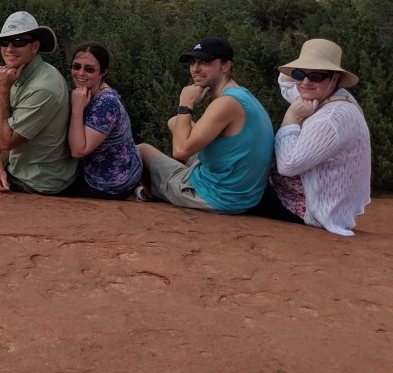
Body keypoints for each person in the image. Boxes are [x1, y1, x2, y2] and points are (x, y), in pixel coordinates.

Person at [136, 37, 274, 213]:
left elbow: (180, 150)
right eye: (193, 62)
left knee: (141, 151)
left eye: (205, 62)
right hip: (243, 192)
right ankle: (180, 177)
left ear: (225, 66)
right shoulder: (240, 95)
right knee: (174, 122)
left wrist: (185, 103)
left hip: (219, 196)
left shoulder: (227, 103)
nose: (195, 69)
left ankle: (153, 193)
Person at [269, 39, 371, 235]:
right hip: (318, 198)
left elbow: (288, 166)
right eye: (299, 74)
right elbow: (285, 82)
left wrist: (290, 119)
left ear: (335, 78)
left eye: (316, 75)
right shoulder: (326, 96)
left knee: (243, 194)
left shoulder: (331, 118)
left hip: (311, 207)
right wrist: (302, 70)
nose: (305, 82)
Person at [0, 11, 77, 194]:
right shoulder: (21, 73)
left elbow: (7, 140)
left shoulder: (42, 88)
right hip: (24, 167)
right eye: (4, 42)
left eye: (19, 41)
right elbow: (10, 127)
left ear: (35, 46)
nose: (9, 48)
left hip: (37, 180)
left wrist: (1, 91)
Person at [65, 42, 143, 199]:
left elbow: (78, 150)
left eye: (89, 69)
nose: (80, 73)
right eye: (76, 66)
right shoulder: (90, 92)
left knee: (49, 185)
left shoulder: (106, 104)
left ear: (103, 73)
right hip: (121, 169)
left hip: (109, 183)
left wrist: (77, 109)